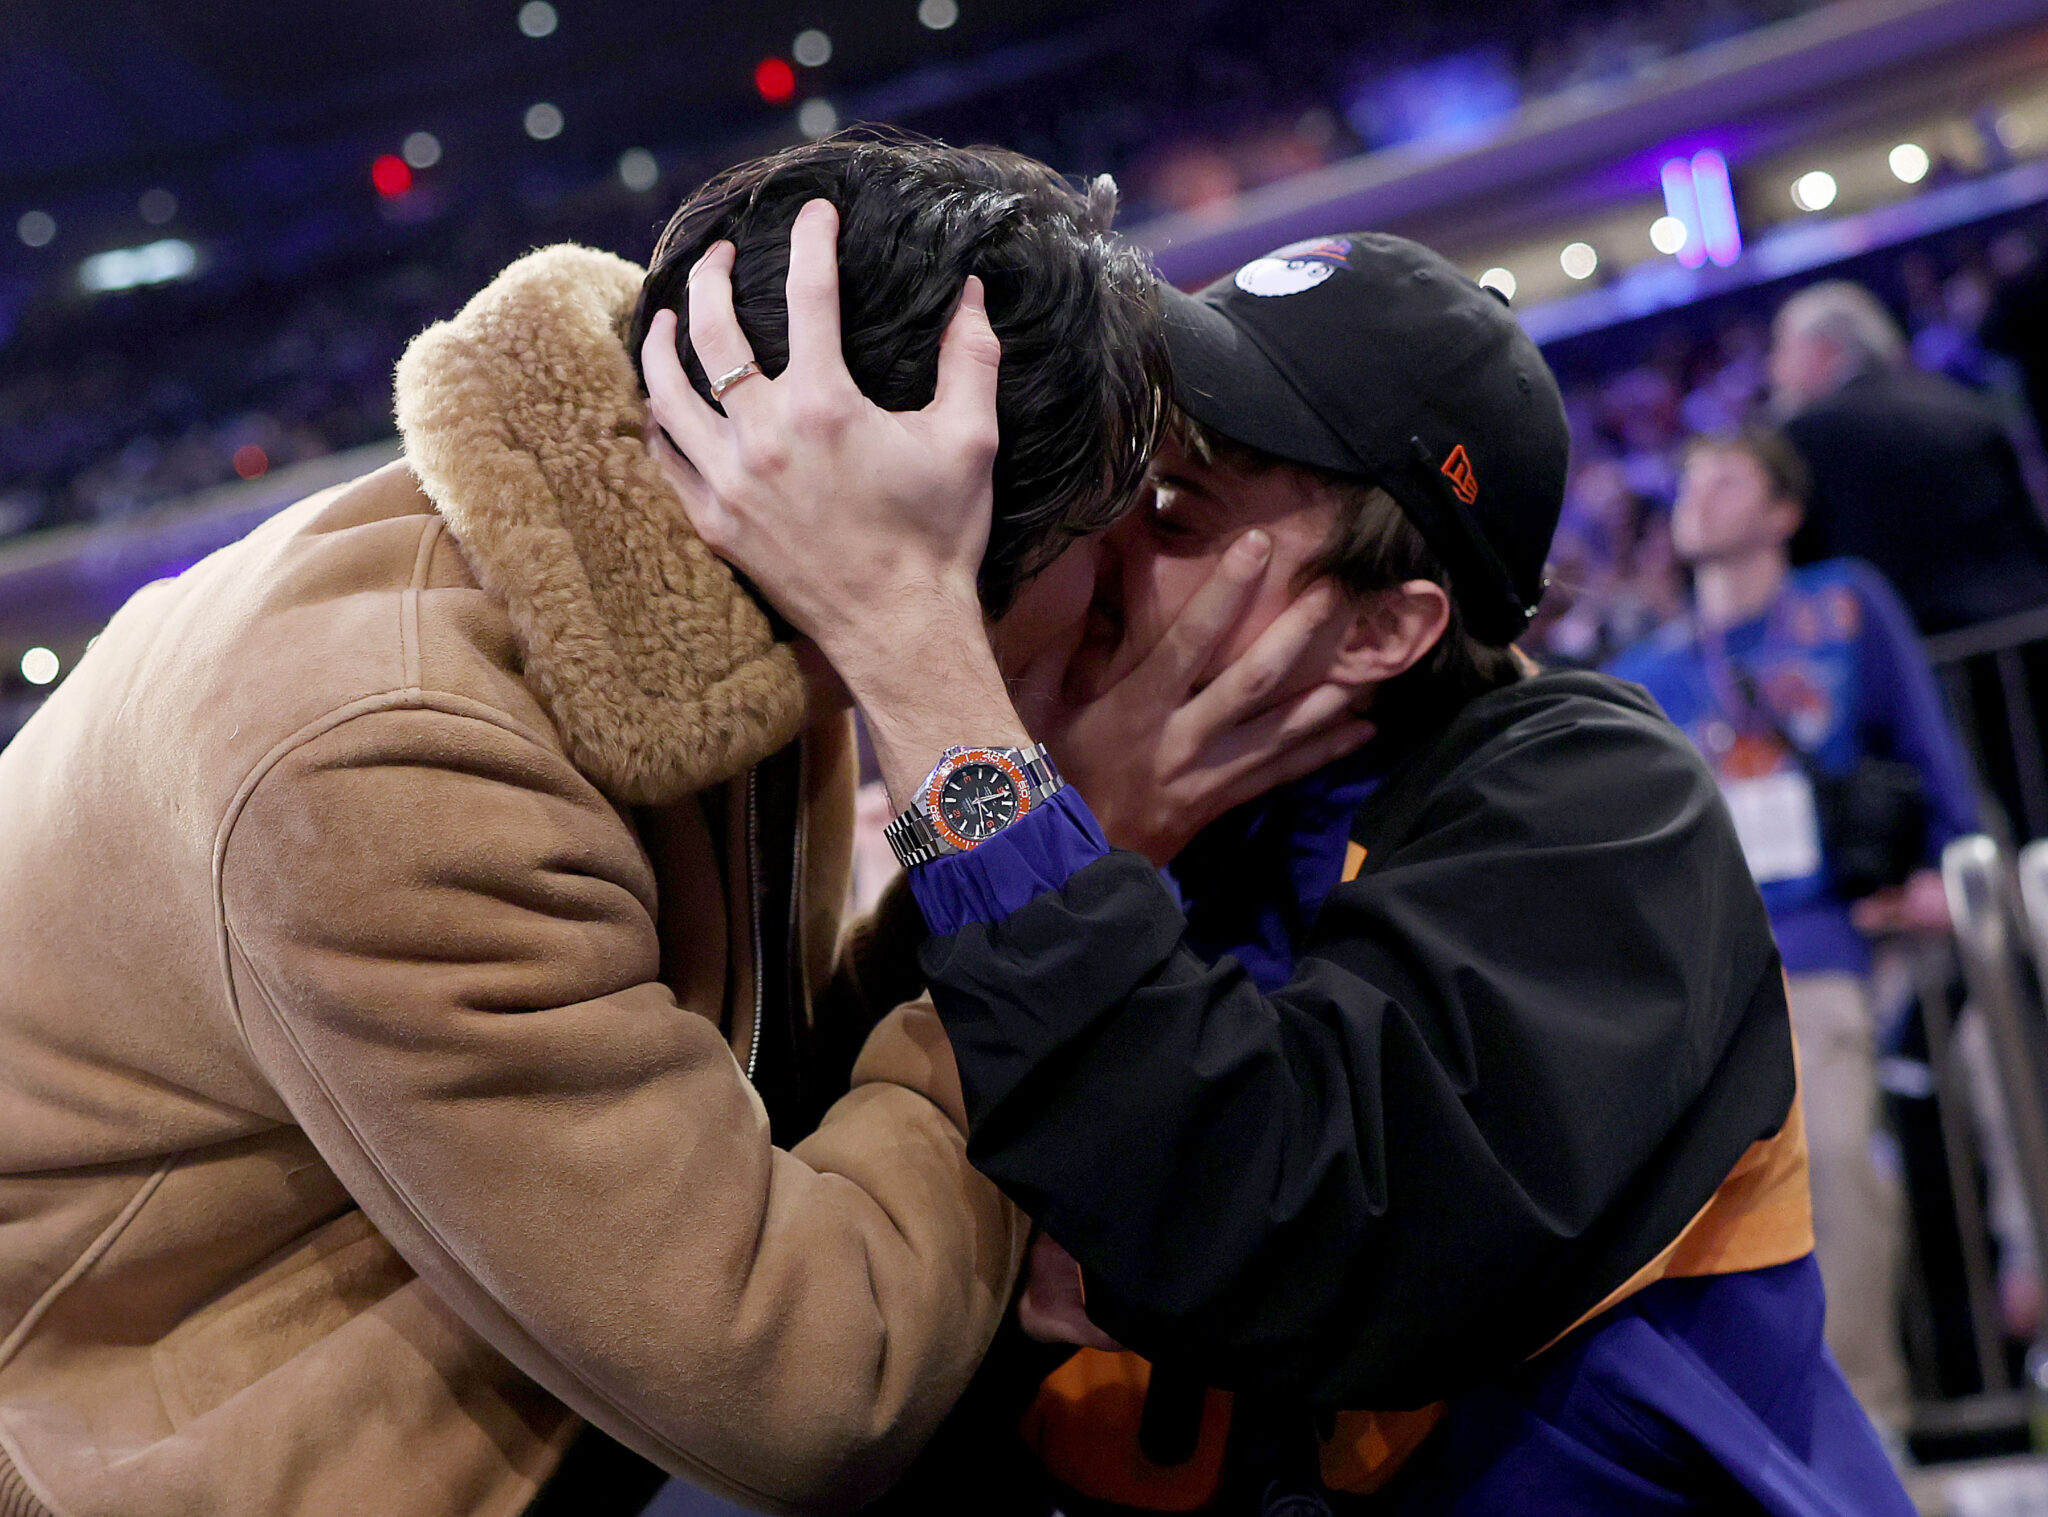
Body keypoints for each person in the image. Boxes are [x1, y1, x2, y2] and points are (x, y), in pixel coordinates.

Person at [0, 136, 1199, 1517]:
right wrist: (1046, 863)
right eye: (1110, 529)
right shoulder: (402, 762)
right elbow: (812, 1383)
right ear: (921, 527)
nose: (1130, 582)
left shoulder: (686, 560)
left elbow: (763, 1075)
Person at [647, 229, 1915, 1513]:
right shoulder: (1133, 784)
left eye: (1175, 511)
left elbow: (1281, 1223)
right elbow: (818, 1207)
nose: (1103, 537)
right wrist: (1088, 821)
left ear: (1378, 626)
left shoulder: (1591, 798)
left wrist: (917, 657)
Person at [1607, 429, 1980, 1439]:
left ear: (1780, 510)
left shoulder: (1843, 602)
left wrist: (1949, 862)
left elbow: (1923, 740)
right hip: (1703, 971)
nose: (1696, 493)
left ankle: (1865, 1437)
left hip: (1818, 943)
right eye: (1685, 478)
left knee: (1834, 1189)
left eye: (1725, 476)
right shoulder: (1648, 664)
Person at [1771, 279, 2048, 635]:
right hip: (2021, 625)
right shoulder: (1961, 403)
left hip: (1914, 642)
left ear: (1821, 349)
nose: (1773, 368)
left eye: (1781, 348)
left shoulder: (1803, 435)